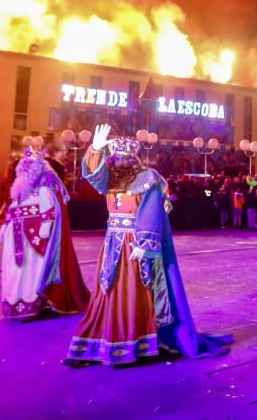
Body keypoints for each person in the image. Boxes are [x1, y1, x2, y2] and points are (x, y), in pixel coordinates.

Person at [63, 125, 232, 367]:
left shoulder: (147, 179)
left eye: (123, 158)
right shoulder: (110, 181)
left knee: (133, 292)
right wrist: (95, 149)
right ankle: (101, 340)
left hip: (136, 244)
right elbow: (94, 176)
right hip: (112, 245)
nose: (119, 161)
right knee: (108, 291)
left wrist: (146, 243)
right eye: (115, 157)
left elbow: (151, 212)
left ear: (133, 159)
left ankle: (135, 344)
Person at [0, 136, 90, 320]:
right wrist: (6, 224)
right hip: (15, 232)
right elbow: (13, 205)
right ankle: (15, 303)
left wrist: (46, 224)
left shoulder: (45, 182)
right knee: (14, 268)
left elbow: (49, 204)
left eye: (30, 165)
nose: (26, 168)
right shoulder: (19, 186)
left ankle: (32, 303)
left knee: (31, 269)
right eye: (25, 165)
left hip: (33, 235)